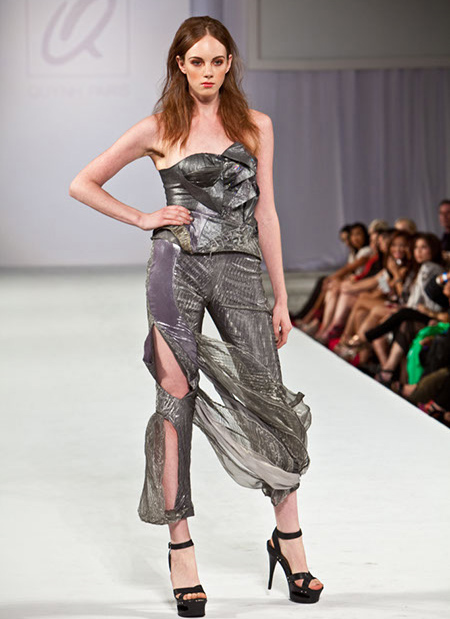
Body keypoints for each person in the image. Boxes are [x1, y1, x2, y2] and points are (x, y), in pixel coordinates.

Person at [68, 15, 323, 616]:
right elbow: (83, 182)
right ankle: (180, 546)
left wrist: (280, 297)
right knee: (174, 399)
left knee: (268, 399)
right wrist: (143, 217)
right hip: (175, 270)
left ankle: (288, 538)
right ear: (180, 66)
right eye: (196, 62)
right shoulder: (158, 127)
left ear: (229, 64)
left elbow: (266, 214)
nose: (207, 72)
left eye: (217, 61)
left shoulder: (256, 126)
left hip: (241, 271)